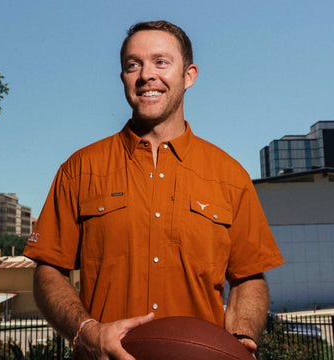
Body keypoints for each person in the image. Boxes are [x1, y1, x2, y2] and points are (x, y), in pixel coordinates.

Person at [24, 20, 284, 359]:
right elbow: (49, 270)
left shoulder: (230, 175)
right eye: (133, 64)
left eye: (161, 62)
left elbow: (249, 277)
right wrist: (87, 332)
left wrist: (241, 336)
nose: (147, 74)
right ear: (123, 79)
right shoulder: (79, 169)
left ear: (188, 75)